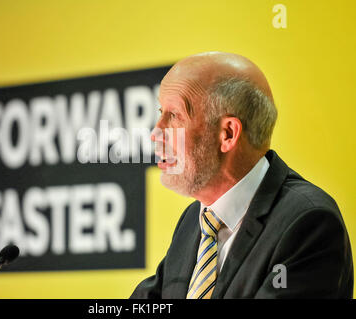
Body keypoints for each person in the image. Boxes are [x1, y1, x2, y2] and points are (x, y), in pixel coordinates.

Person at [130, 51, 353, 299]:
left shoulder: (308, 223)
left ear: (227, 134)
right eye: (161, 112)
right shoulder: (196, 219)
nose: (155, 132)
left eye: (174, 115)